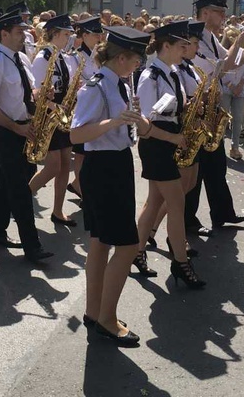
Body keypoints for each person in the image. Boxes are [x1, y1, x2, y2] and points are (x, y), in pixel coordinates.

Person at [69, 26, 152, 346]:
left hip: (115, 166)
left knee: (101, 242)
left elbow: (139, 128)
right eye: (134, 60)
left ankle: (93, 312)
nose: (137, 66)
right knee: (128, 246)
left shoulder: (120, 82)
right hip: (103, 169)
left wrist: (139, 120)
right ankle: (107, 318)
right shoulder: (96, 87)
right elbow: (77, 136)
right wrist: (117, 121)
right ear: (120, 58)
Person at [133, 20, 206, 288]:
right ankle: (180, 262)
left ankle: (137, 251)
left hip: (170, 139)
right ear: (166, 46)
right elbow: (144, 125)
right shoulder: (149, 76)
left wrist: (192, 116)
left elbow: (178, 107)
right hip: (157, 143)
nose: (186, 49)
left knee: (154, 202)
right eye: (181, 45)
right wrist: (174, 137)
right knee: (176, 204)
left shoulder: (173, 72)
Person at [0, 9, 54, 262]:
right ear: (4, 33)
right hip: (6, 130)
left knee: (13, 180)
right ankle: (32, 246)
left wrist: (42, 94)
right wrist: (15, 127)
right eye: (19, 31)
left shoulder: (21, 59)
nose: (25, 34)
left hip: (25, 126)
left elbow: (26, 90)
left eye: (24, 30)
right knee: (20, 189)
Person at [185, 0, 244, 236]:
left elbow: (232, 63)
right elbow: (219, 68)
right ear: (205, 13)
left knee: (215, 164)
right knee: (196, 166)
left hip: (212, 106)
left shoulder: (209, 37)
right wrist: (237, 44)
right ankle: (187, 220)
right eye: (219, 11)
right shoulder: (192, 36)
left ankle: (222, 212)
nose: (224, 16)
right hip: (198, 106)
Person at [29, 14, 77, 227]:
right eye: (66, 34)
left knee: (66, 164)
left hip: (63, 116)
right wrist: (54, 108)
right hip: (49, 116)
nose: (68, 38)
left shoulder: (63, 57)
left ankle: (58, 211)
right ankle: (21, 197)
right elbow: (37, 93)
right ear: (55, 34)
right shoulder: (42, 58)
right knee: (53, 167)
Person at [66, 16, 103, 199]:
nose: (99, 38)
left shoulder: (97, 55)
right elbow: (75, 83)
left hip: (97, 107)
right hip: (83, 107)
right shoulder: (75, 57)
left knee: (91, 152)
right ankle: (81, 188)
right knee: (81, 153)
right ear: (85, 35)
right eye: (96, 34)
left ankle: (77, 184)